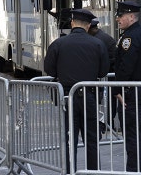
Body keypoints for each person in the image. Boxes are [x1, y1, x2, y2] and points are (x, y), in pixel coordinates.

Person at [44, 9, 109, 173]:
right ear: (88, 26)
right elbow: (103, 72)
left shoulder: (58, 43)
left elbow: (49, 70)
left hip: (67, 97)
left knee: (68, 139)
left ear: (72, 23)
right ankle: (93, 171)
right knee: (92, 140)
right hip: (90, 96)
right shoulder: (97, 44)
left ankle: (69, 171)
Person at [114, 1, 141, 173]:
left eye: (121, 16)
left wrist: (117, 90)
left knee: (133, 136)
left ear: (131, 17)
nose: (118, 19)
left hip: (130, 92)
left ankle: (134, 170)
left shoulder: (128, 38)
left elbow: (125, 68)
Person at [88, 18, 118, 132]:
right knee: (109, 99)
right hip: (110, 73)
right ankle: (107, 122)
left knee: (108, 99)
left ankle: (107, 123)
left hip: (110, 74)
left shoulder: (98, 39)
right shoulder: (100, 37)